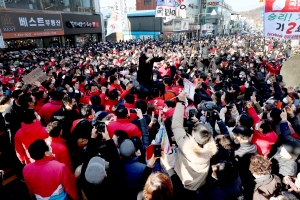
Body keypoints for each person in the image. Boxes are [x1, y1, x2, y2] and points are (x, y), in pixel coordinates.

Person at [172, 91, 217, 198]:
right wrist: (198, 123)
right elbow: (208, 134)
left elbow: (176, 125)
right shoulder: (211, 147)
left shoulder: (185, 145)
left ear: (193, 135)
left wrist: (181, 102)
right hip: (200, 183)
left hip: (184, 182)